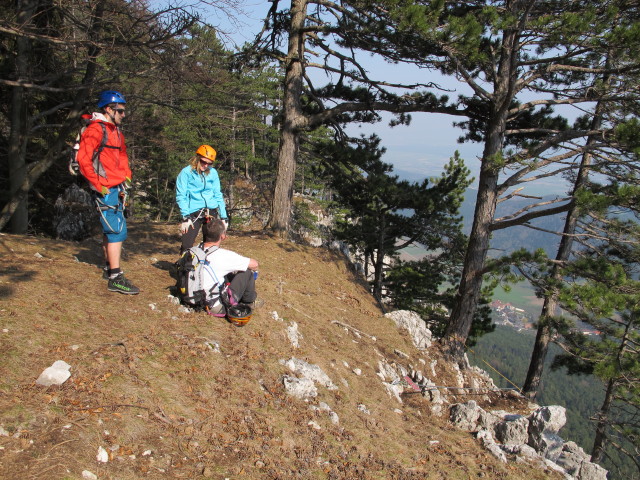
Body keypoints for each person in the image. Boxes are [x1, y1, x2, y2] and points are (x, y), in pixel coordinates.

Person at [76, 90, 139, 295]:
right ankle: (115, 277)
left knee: (111, 228)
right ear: (108, 109)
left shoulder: (116, 131)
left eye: (124, 111)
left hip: (117, 186)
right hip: (105, 188)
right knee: (116, 231)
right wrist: (98, 184)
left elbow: (122, 154)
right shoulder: (95, 130)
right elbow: (83, 160)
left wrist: (126, 175)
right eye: (120, 111)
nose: (123, 114)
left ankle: (108, 268)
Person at [200, 218, 258, 317]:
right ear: (222, 236)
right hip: (215, 306)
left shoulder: (193, 251)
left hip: (193, 296)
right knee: (247, 272)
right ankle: (249, 302)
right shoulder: (223, 255)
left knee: (228, 273)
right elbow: (254, 264)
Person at [176, 145, 228, 253]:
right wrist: (185, 216)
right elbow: (181, 195)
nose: (206, 165)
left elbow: (218, 194)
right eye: (203, 162)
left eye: (209, 163)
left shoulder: (213, 172)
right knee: (187, 244)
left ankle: (206, 268)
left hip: (211, 211)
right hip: (193, 212)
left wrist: (224, 216)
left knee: (211, 245)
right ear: (197, 158)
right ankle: (185, 267)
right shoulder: (186, 172)